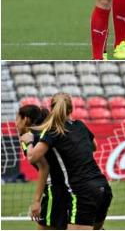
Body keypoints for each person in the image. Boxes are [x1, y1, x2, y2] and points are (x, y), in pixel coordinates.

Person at [28, 93, 113, 230]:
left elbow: (33, 157)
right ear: (71, 110)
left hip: (82, 192)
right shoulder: (80, 125)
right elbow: (94, 147)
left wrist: (28, 141)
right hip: (103, 187)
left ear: (52, 109)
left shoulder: (52, 131)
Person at [17, 105, 69, 230]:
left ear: (25, 119)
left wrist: (36, 201)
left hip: (56, 190)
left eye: (17, 118)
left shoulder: (29, 138)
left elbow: (44, 168)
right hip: (70, 187)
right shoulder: (45, 132)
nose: (16, 123)